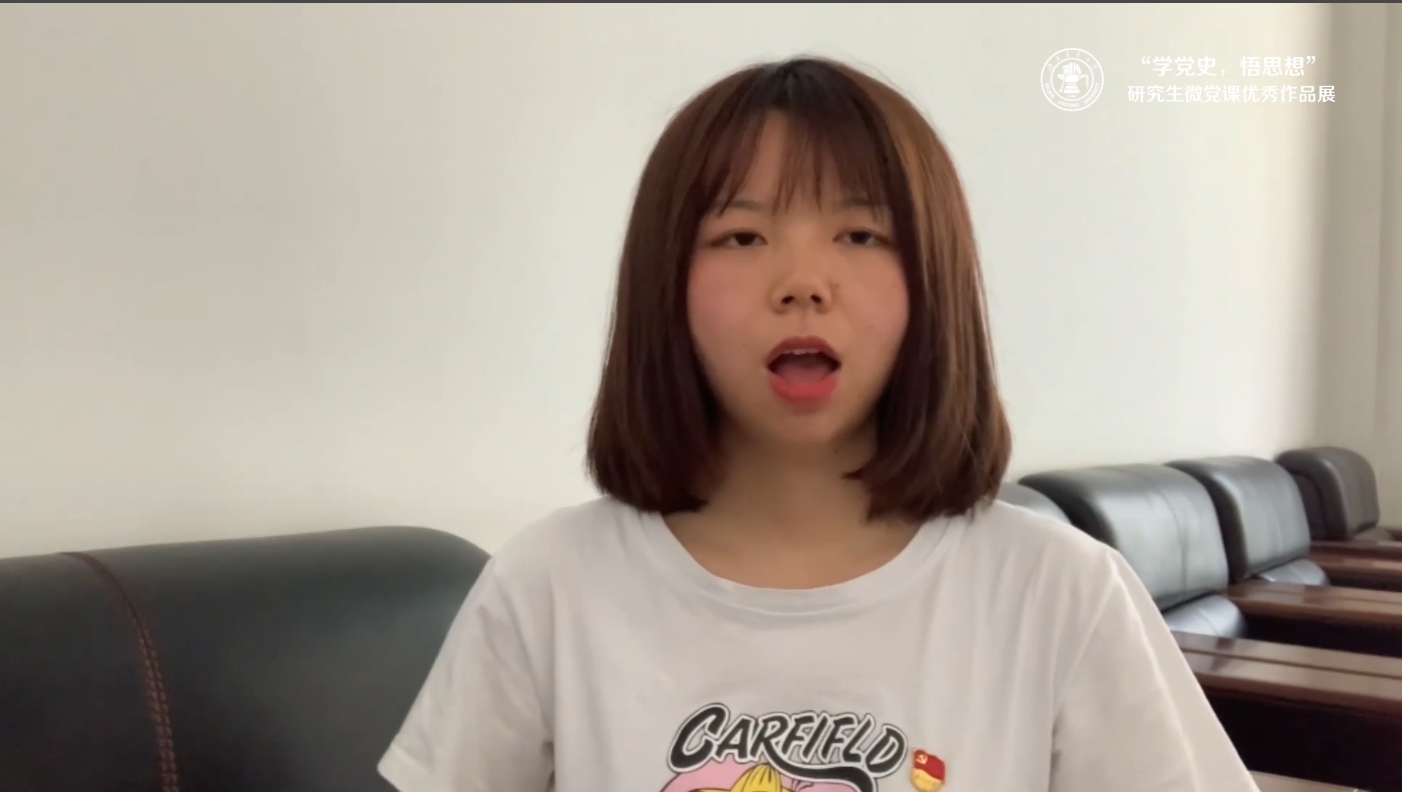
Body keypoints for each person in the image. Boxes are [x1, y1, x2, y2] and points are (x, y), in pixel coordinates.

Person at [377, 57, 1259, 792]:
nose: (803, 282)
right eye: (741, 237)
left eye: (862, 235)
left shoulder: (1061, 592)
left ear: (934, 282)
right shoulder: (550, 583)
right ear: (664, 287)